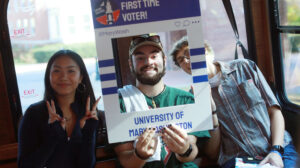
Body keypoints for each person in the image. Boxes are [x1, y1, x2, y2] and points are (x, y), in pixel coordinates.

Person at [170, 38, 299, 168]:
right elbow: (213, 153)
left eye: (188, 53)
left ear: (206, 51)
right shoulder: (192, 97)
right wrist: (211, 110)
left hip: (279, 147)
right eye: (181, 60)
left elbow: (275, 111)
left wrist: (276, 150)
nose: (186, 60)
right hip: (237, 159)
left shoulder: (244, 67)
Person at [114, 34, 219, 168]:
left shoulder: (185, 99)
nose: (148, 62)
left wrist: (185, 149)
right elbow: (126, 160)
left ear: (164, 60)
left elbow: (192, 151)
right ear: (131, 64)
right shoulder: (119, 103)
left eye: (154, 56)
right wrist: (139, 155)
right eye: (140, 58)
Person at [18, 50, 100, 168]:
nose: (63, 77)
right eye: (57, 71)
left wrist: (89, 132)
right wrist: (53, 136)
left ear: (81, 77)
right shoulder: (34, 114)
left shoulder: (87, 114)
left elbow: (86, 166)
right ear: (49, 76)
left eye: (71, 71)